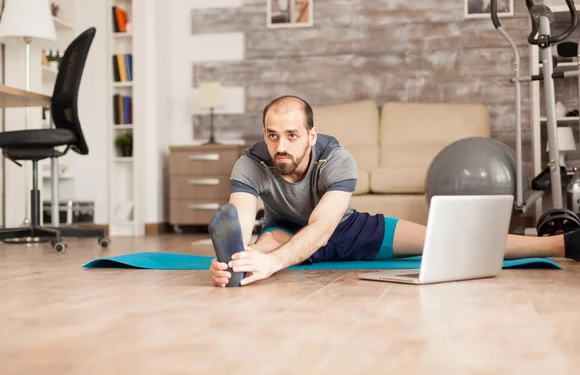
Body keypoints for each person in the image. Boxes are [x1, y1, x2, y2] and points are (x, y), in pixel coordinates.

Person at [208, 95, 580, 287]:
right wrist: (231, 261)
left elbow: (322, 230)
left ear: (311, 135)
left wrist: (273, 262)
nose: (281, 146)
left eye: (292, 135)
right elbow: (239, 218)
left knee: (444, 238)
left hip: (347, 229)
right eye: (272, 135)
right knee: (255, 252)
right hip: (284, 230)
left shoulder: (337, 159)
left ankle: (561, 244)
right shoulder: (250, 162)